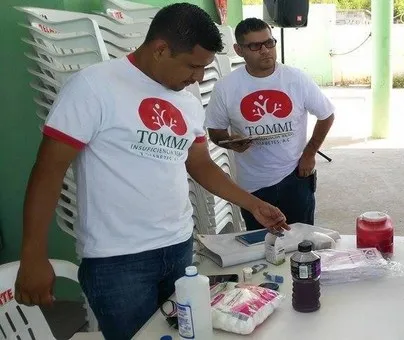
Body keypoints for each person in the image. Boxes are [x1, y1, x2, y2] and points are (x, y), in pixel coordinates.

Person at [14, 4, 290, 340]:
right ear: (160, 49)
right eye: (192, 66)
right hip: (117, 262)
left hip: (178, 249)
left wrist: (253, 204)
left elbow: (200, 164)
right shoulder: (95, 86)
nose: (198, 78)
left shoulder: (186, 99)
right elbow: (47, 172)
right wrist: (33, 255)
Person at [204, 18, 335, 231]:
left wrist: (310, 153)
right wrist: (230, 142)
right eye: (255, 46)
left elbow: (326, 115)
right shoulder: (226, 87)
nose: (265, 50)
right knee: (260, 246)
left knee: (301, 240)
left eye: (269, 43)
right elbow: (215, 132)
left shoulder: (296, 79)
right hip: (252, 185)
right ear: (239, 50)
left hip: (296, 176)